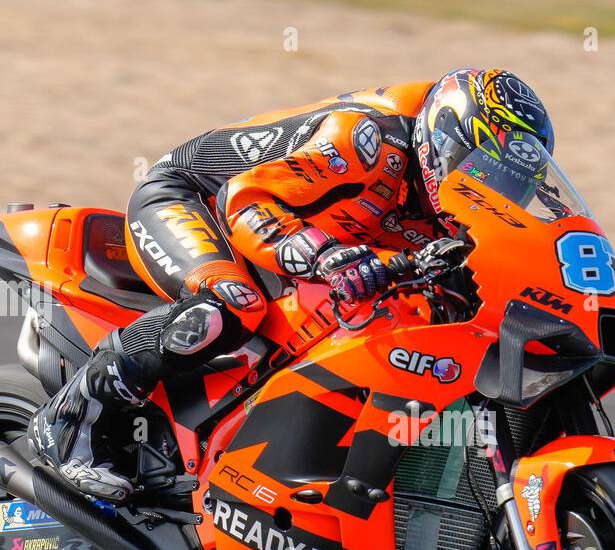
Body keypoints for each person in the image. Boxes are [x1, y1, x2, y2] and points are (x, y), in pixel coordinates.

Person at [28, 68, 555, 501]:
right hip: (196, 198)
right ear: (445, 140)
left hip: (303, 236)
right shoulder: (367, 141)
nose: (495, 188)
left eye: (511, 181)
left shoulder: (462, 206)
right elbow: (248, 201)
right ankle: (74, 419)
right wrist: (325, 257)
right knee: (229, 306)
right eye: (486, 169)